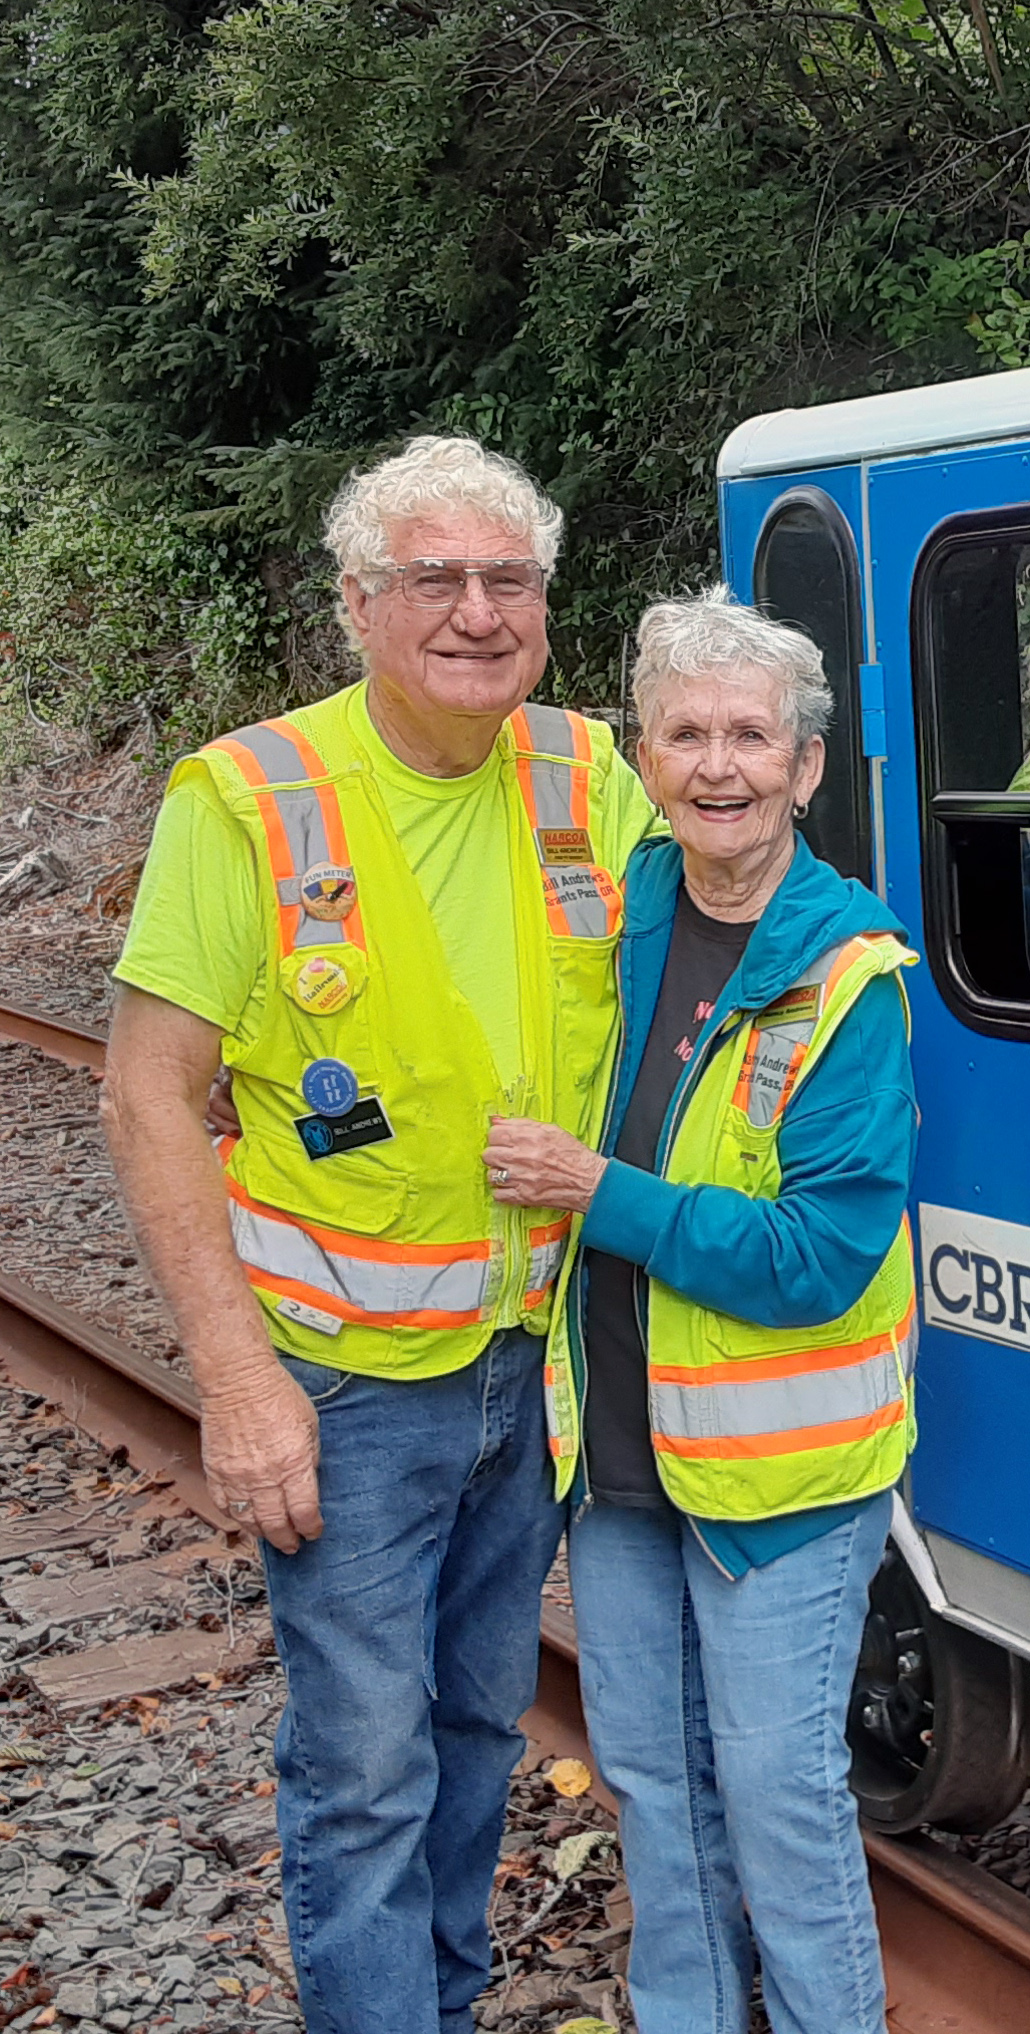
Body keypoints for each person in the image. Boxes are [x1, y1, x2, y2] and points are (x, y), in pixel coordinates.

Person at [99, 435, 655, 2034]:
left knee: (480, 1726)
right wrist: (236, 1379)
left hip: (529, 1363)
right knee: (360, 1764)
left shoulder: (584, 772)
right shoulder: (248, 797)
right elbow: (149, 1096)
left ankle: (442, 2006)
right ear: (360, 606)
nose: (477, 613)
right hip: (345, 1387)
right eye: (435, 579)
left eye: (509, 579)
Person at [482, 589, 919, 2034]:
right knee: (653, 1778)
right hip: (618, 1450)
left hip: (780, 1477)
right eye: (685, 734)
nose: (717, 765)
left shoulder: (847, 972)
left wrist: (598, 1191)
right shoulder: (629, 905)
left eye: (750, 735)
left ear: (804, 766)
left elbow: (818, 1256)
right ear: (646, 758)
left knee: (779, 1792)